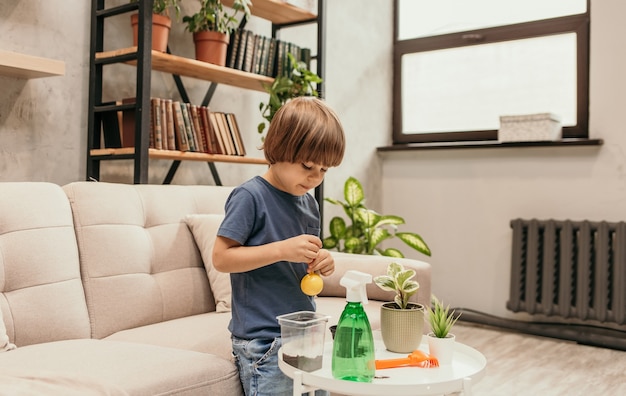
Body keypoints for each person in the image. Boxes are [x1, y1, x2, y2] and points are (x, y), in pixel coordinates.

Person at [212, 96, 346, 396]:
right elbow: (221, 258)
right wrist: (283, 249)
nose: (315, 177)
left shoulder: (309, 203)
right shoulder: (250, 197)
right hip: (265, 340)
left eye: (324, 170)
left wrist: (320, 260)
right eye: (308, 166)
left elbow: (299, 262)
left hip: (306, 332)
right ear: (279, 148)